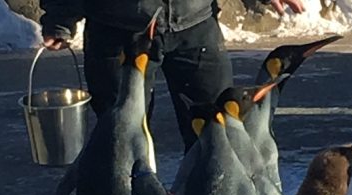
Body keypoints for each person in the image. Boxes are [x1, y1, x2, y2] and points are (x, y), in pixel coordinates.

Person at [39, 0, 306, 150]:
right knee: (121, 142)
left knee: (216, 139)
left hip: (196, 25)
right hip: (117, 30)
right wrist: (60, 17)